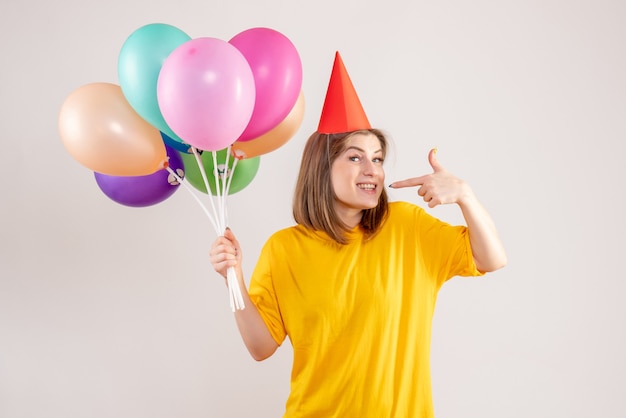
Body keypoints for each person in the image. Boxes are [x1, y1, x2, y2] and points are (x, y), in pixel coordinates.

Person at [210, 51, 507, 417]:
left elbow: (492, 258)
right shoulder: (284, 249)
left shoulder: (407, 227)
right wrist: (233, 278)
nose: (372, 170)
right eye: (355, 157)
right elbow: (260, 346)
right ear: (323, 166)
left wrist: (465, 196)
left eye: (378, 158)